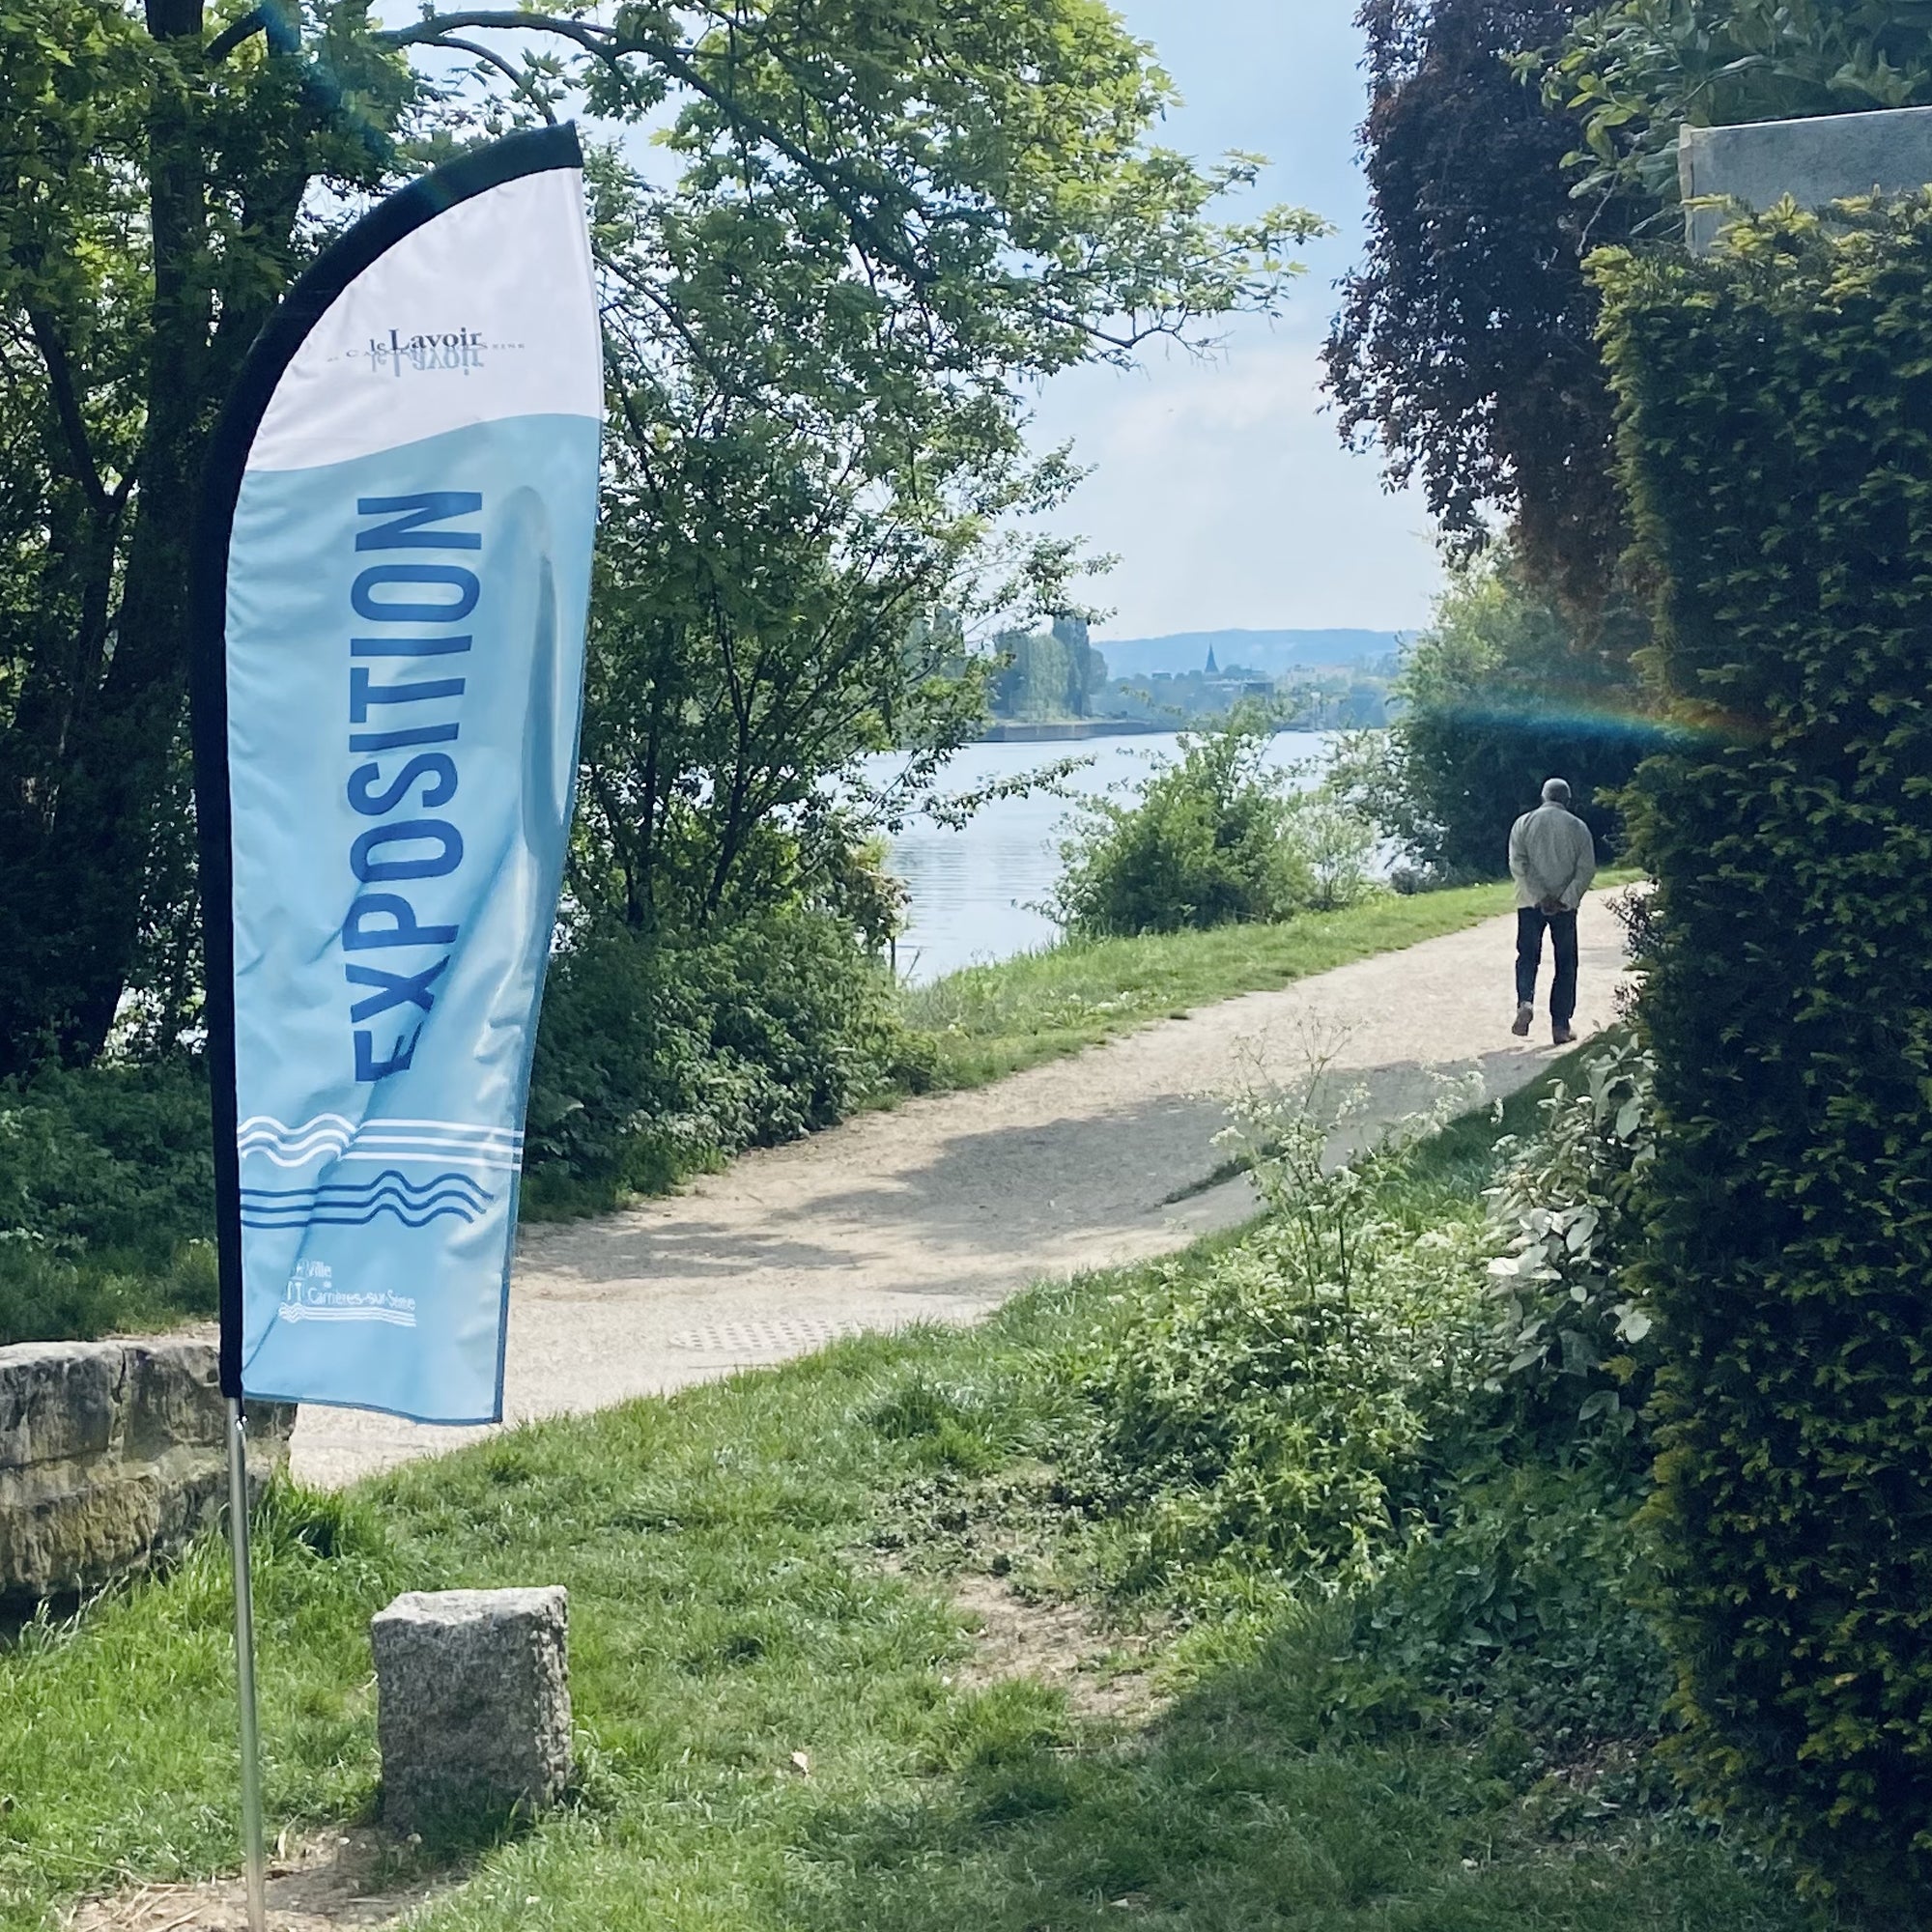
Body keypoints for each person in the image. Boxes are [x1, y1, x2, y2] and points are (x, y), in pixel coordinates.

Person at [1508, 777, 1595, 1045]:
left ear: (1543, 797)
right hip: (1564, 908)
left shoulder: (1523, 823)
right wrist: (1564, 900)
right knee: (1566, 963)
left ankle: (1526, 1001)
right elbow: (1585, 870)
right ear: (1567, 800)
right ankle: (1560, 1025)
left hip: (1530, 904)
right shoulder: (1578, 828)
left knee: (1527, 956)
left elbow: (1518, 864)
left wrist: (1538, 897)